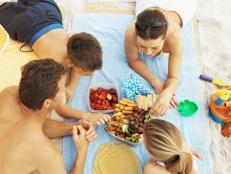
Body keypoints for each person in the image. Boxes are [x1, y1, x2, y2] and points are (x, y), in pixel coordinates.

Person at [0, 59, 95, 174]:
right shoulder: (46, 152)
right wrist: (82, 151)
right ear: (47, 103)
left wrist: (74, 127)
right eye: (61, 90)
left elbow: (38, 126)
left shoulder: (9, 93)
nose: (65, 90)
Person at [0, 0, 102, 101]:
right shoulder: (58, 65)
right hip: (26, 24)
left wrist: (71, 85)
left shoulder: (74, 40)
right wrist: (70, 87)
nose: (91, 75)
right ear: (69, 63)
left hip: (48, 11)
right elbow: (58, 95)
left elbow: (78, 62)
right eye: (85, 73)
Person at [124, 0, 198, 116]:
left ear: (165, 37)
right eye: (142, 46)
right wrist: (155, 82)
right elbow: (133, 60)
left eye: (154, 47)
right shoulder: (131, 32)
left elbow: (173, 76)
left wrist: (168, 92)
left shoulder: (175, 36)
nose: (148, 53)